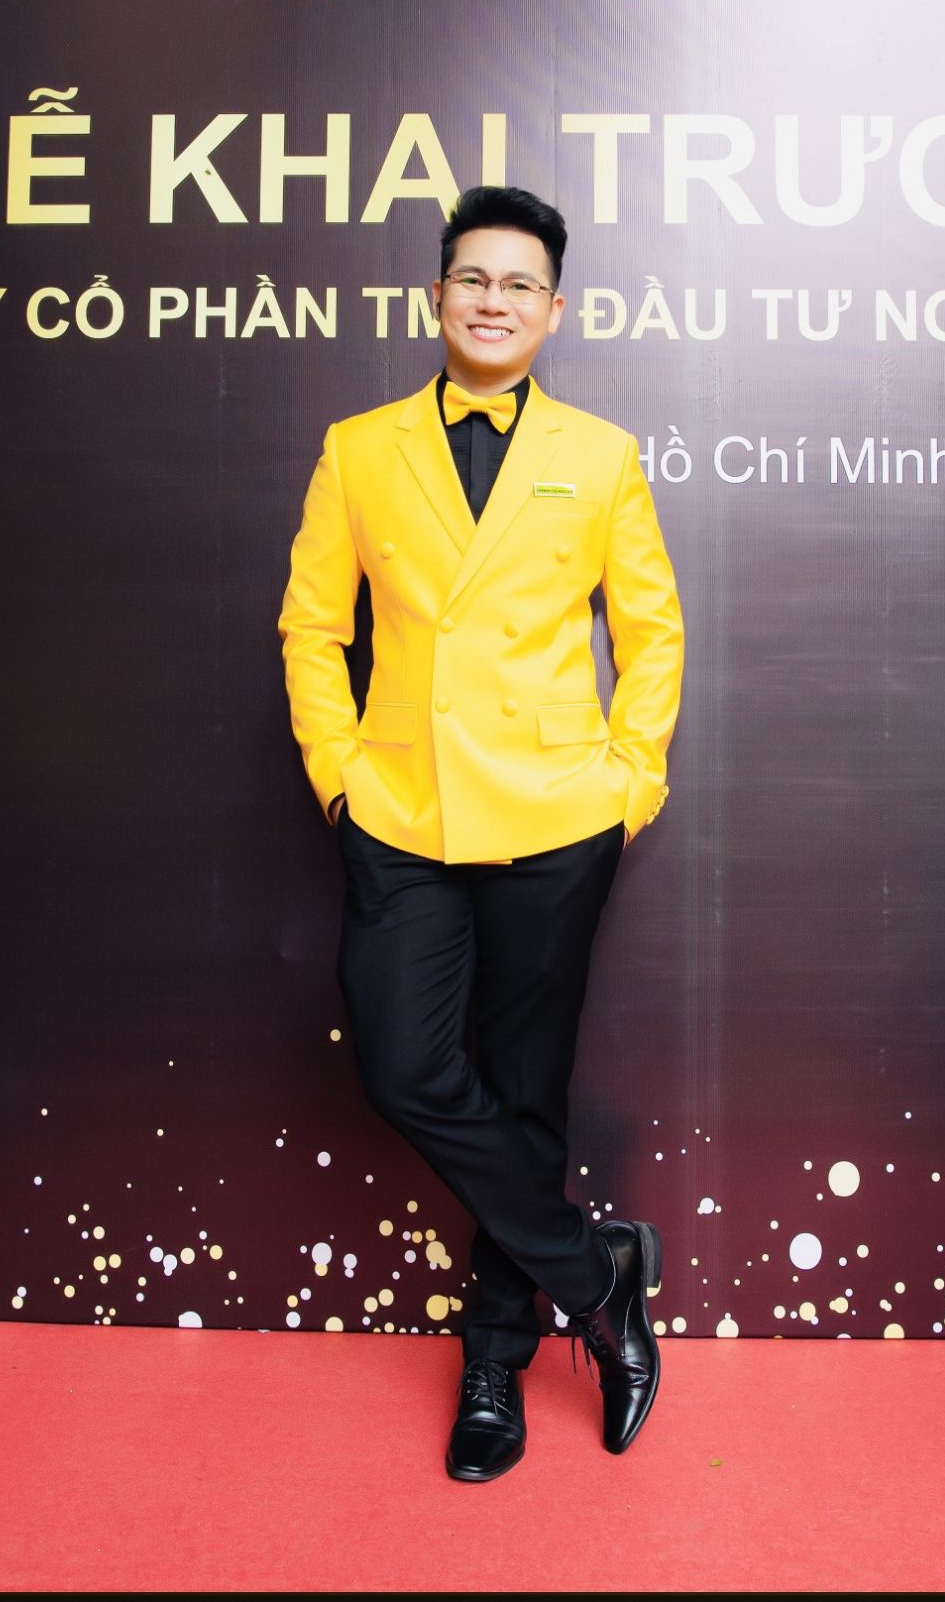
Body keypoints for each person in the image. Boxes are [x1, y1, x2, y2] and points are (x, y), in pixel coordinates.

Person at [277, 185, 685, 1482]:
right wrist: (340, 778)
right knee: (405, 1064)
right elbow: (312, 628)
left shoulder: (601, 454)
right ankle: (596, 1275)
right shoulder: (359, 448)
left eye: (519, 283)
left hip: (555, 812)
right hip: (402, 808)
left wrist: (629, 783)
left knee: (523, 1090)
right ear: (436, 297)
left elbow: (652, 633)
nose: (493, 300)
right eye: (472, 278)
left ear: (553, 310)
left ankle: (495, 1363)